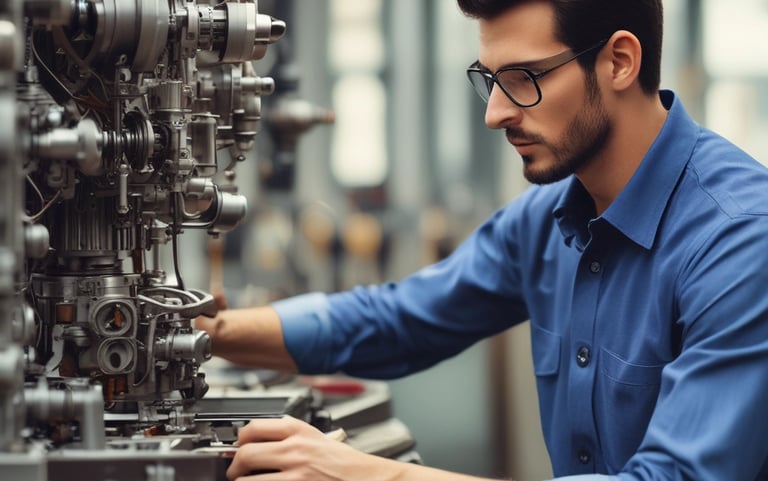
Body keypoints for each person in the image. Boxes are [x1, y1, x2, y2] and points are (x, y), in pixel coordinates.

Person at [195, 0, 768, 479]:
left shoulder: (740, 241)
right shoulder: (546, 220)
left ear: (619, 62)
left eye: (524, 80)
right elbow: (400, 318)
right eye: (490, 80)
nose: (495, 113)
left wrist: (366, 471)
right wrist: (206, 334)